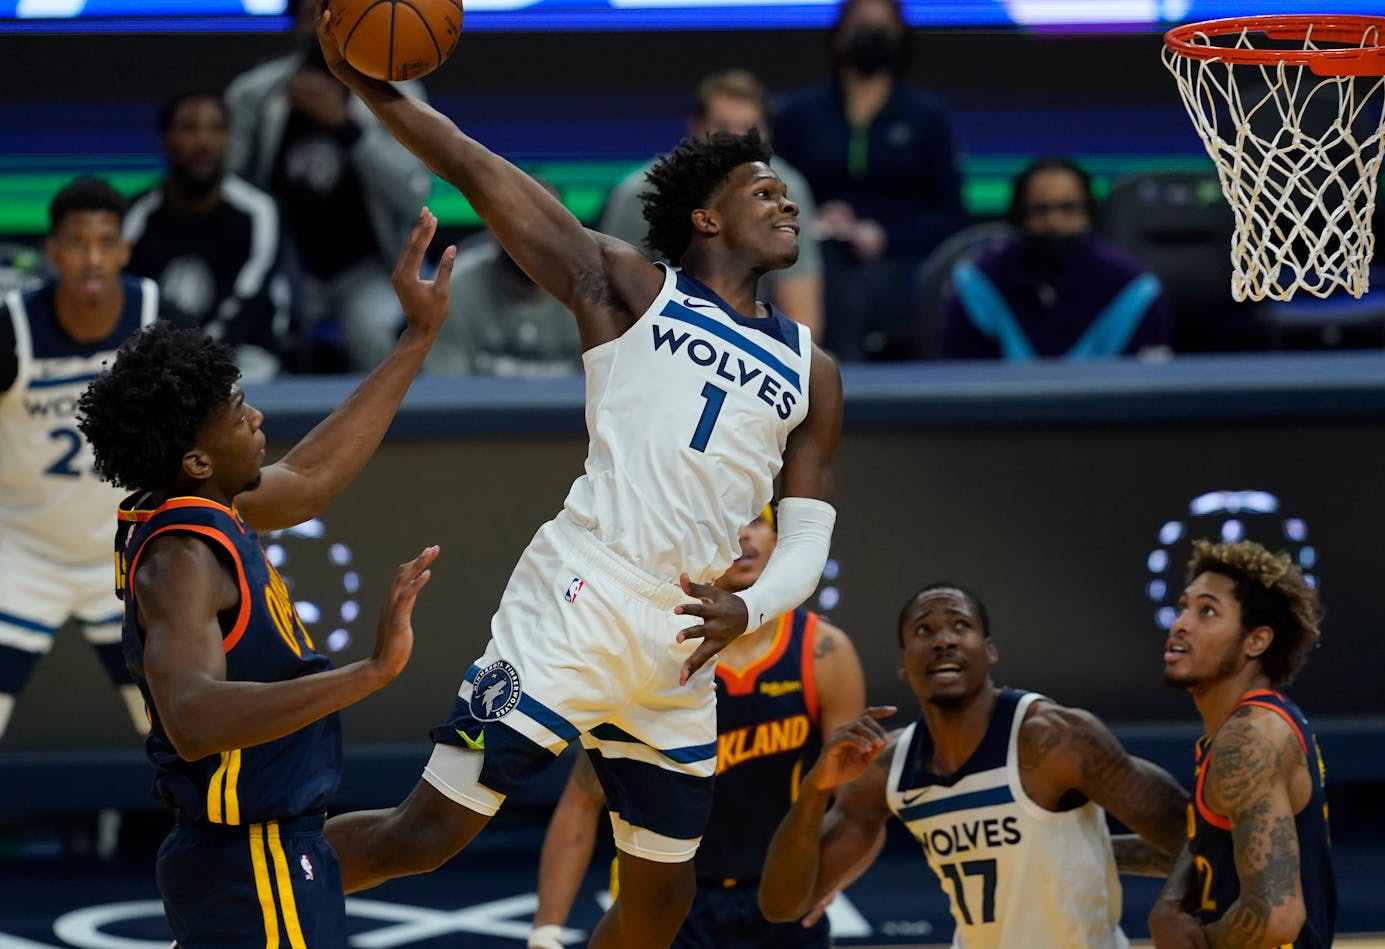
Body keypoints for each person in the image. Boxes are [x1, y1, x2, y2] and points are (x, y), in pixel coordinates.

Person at [312, 5, 844, 948]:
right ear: (706, 215)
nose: (788, 202)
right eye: (764, 190)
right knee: (426, 834)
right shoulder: (626, 285)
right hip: (586, 590)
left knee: (661, 899)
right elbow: (477, 166)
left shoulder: (816, 367)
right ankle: (240, 898)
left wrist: (751, 612)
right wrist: (370, 85)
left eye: (789, 192)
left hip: (688, 635)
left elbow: (805, 538)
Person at [72, 208, 454, 948]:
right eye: (235, 412)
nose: (256, 417)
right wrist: (371, 672)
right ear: (196, 460)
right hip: (251, 862)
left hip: (264, 851)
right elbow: (193, 716)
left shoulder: (201, 500)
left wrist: (418, 338)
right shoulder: (181, 557)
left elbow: (311, 478)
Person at [760, 583, 1189, 947]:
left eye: (959, 626)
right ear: (902, 662)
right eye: (924, 630)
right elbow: (782, 904)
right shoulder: (891, 766)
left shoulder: (1055, 738)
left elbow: (1197, 837)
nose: (943, 639)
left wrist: (1171, 904)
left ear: (989, 651)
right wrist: (815, 789)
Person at [527, 507, 866, 949]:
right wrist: (547, 930)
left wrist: (832, 873)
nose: (744, 537)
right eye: (731, 523)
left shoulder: (823, 651)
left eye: (758, 521)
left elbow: (855, 798)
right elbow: (582, 798)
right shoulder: (658, 651)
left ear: (780, 539)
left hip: (781, 893)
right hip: (668, 895)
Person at [0, 176, 178, 740]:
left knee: (179, 733)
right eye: (78, 243)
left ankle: (212, 831)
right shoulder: (12, 327)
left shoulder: (154, 312)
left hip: (124, 552)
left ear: (125, 249)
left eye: (106, 243)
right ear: (52, 252)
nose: (93, 259)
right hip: (20, 554)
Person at [225, 0, 430, 371]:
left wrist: (345, 127)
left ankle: (391, 425)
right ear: (293, 24)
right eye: (310, 14)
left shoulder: (398, 90)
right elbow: (231, 188)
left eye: (333, 14)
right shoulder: (254, 93)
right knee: (264, 339)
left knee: (372, 334)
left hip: (368, 265)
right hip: (282, 266)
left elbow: (413, 192)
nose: (322, 24)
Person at [1148, 540, 1335, 949]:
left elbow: (1276, 916)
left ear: (1256, 642)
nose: (1180, 623)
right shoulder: (1248, 727)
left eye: (1207, 612)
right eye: (1184, 606)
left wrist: (1191, 943)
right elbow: (1208, 854)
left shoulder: (1250, 737)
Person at [772, 0, 965, 361]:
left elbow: (951, 214)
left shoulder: (926, 116)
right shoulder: (797, 115)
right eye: (861, 25)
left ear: (901, 36)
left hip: (902, 255)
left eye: (881, 27)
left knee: (859, 289)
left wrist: (884, 235)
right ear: (838, 33)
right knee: (826, 275)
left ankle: (846, 386)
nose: (870, 36)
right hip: (815, 245)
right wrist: (812, 217)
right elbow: (773, 187)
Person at [599, 70, 825, 342]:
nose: (737, 141)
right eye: (722, 128)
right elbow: (612, 308)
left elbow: (803, 324)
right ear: (694, 128)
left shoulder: (789, 192)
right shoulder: (638, 195)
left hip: (760, 355)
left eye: (749, 129)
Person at [125, 90, 289, 383]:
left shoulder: (258, 209)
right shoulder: (137, 214)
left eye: (216, 129)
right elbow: (125, 293)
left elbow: (249, 298)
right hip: (156, 358)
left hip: (243, 355)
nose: (204, 142)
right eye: (190, 128)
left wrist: (196, 356)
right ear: (166, 141)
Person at [938, 157, 1171, 361]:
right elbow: (960, 379)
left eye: (1068, 209)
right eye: (1039, 210)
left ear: (1089, 214)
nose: (1053, 223)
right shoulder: (978, 285)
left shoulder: (1134, 290)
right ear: (1018, 216)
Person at [426, 179, 581, 377]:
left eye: (548, 225)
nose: (535, 237)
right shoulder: (455, 290)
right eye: (522, 221)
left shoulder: (588, 294)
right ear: (493, 228)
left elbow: (606, 394)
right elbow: (444, 391)